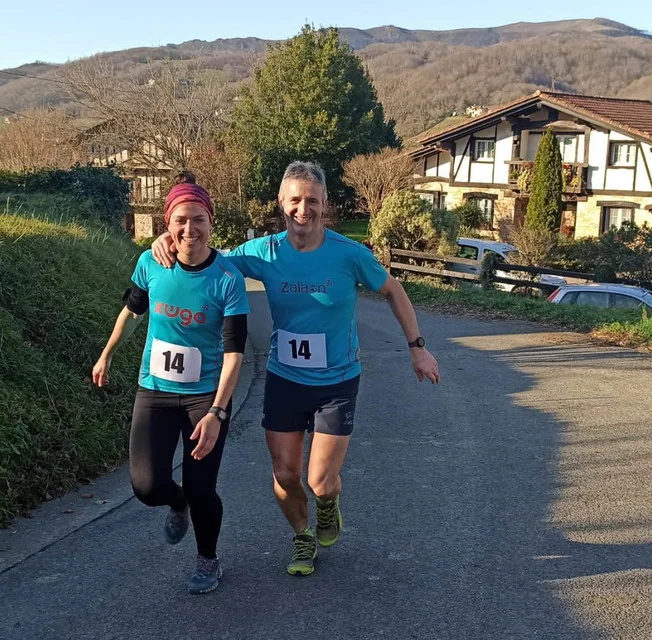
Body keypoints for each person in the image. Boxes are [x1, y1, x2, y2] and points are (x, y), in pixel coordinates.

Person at [152, 161, 439, 576]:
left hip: (337, 382)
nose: (303, 209)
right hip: (285, 379)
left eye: (312, 201)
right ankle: (302, 535)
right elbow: (206, 257)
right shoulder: (263, 252)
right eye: (295, 200)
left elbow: (393, 290)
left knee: (320, 480)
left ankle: (327, 503)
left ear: (325, 203)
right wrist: (170, 238)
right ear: (281, 203)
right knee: (285, 474)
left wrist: (417, 348)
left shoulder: (349, 254)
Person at [93, 172, 249, 594]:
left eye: (198, 219)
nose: (189, 228)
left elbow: (235, 353)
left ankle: (208, 560)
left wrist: (217, 411)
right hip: (155, 390)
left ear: (211, 222)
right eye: (180, 220)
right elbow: (132, 313)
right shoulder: (151, 263)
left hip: (204, 397)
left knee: (202, 487)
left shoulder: (228, 279)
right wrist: (107, 353)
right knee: (146, 486)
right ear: (168, 223)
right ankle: (176, 503)